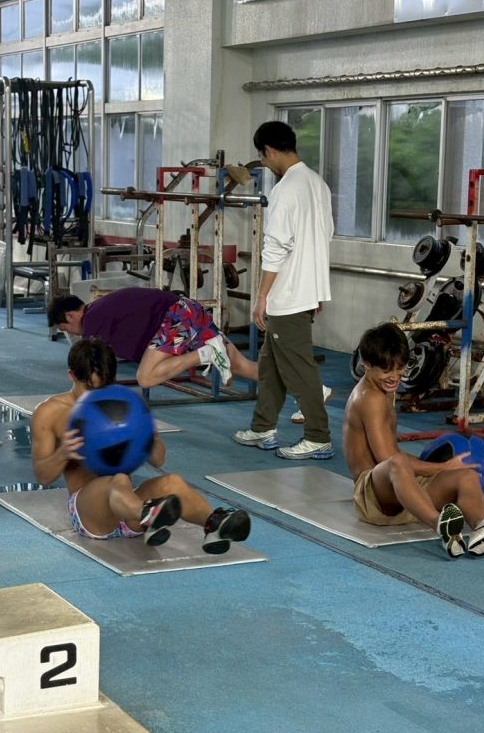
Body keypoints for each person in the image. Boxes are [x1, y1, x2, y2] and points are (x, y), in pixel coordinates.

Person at [32, 337, 252, 553]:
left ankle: (215, 526)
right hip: (91, 513)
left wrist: (148, 435)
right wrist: (62, 453)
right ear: (71, 375)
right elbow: (43, 476)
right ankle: (147, 515)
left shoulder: (127, 405)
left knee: (172, 482)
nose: (97, 398)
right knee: (117, 480)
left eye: (104, 389)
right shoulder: (49, 412)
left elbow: (158, 460)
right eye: (89, 390)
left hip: (128, 504)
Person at [344, 322, 484, 557]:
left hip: (401, 494)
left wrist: (446, 470)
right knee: (398, 462)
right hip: (374, 499)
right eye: (387, 370)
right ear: (367, 364)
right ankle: (441, 525)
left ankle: (482, 529)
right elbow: (387, 459)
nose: (395, 376)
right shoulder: (369, 398)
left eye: (400, 368)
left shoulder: (384, 388)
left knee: (467, 474)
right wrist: (442, 467)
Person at [233, 120, 334, 459]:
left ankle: (318, 437)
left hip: (288, 295)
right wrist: (317, 288)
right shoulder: (318, 184)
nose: (264, 163)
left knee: (299, 369)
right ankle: (263, 427)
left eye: (263, 157)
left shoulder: (285, 189)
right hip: (305, 290)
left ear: (270, 151)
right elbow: (324, 237)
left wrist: (262, 297)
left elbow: (275, 248)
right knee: (271, 365)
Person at [47, 287, 259, 389]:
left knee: (146, 378)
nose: (72, 334)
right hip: (188, 310)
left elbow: (96, 369)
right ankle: (280, 380)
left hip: (176, 317)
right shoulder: (99, 309)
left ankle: (207, 353)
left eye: (66, 328)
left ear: (70, 316)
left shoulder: (92, 321)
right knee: (242, 366)